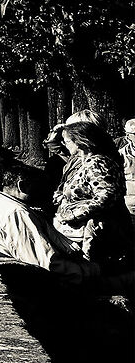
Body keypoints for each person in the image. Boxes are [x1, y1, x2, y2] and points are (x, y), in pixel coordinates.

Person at [0, 160, 98, 278]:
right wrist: (89, 271)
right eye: (38, 186)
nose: (45, 192)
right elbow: (47, 262)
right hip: (26, 279)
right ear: (22, 186)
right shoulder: (17, 213)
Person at [51, 113, 127, 266]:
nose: (65, 144)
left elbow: (107, 195)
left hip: (97, 232)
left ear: (78, 142)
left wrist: (73, 214)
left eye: (67, 141)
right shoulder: (89, 160)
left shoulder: (97, 162)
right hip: (89, 230)